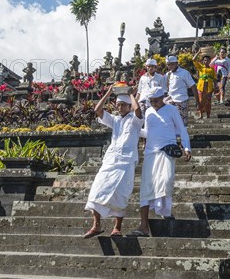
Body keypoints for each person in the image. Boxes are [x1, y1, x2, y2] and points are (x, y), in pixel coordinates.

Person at [127, 87, 191, 237]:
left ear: (162, 97)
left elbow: (182, 129)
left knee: (166, 180)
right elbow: (148, 132)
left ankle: (165, 211)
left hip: (167, 150)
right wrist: (135, 129)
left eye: (156, 100)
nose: (153, 103)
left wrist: (187, 147)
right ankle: (144, 226)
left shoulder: (172, 110)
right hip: (150, 152)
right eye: (151, 101)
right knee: (146, 187)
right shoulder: (148, 112)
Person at [84, 84, 143, 238]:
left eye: (123, 105)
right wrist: (109, 92)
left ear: (129, 105)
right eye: (118, 105)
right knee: (97, 190)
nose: (120, 107)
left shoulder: (135, 121)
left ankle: (117, 228)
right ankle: (96, 225)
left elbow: (138, 111)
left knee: (121, 194)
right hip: (110, 160)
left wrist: (131, 95)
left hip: (127, 162)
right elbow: (98, 110)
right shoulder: (115, 120)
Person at [164, 55, 198, 126]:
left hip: (181, 100)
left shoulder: (184, 73)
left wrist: (197, 100)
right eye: (168, 64)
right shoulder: (168, 74)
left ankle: (183, 136)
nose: (170, 66)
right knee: (170, 122)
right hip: (170, 101)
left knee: (182, 123)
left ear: (176, 63)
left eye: (172, 64)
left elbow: (193, 86)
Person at [193, 51, 216, 119]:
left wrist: (216, 86)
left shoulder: (212, 69)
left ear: (209, 61)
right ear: (203, 61)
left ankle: (208, 114)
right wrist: (198, 53)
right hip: (201, 87)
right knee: (200, 101)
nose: (206, 61)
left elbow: (214, 78)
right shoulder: (200, 67)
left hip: (209, 87)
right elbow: (193, 60)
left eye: (207, 60)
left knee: (208, 101)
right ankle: (201, 114)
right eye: (205, 60)